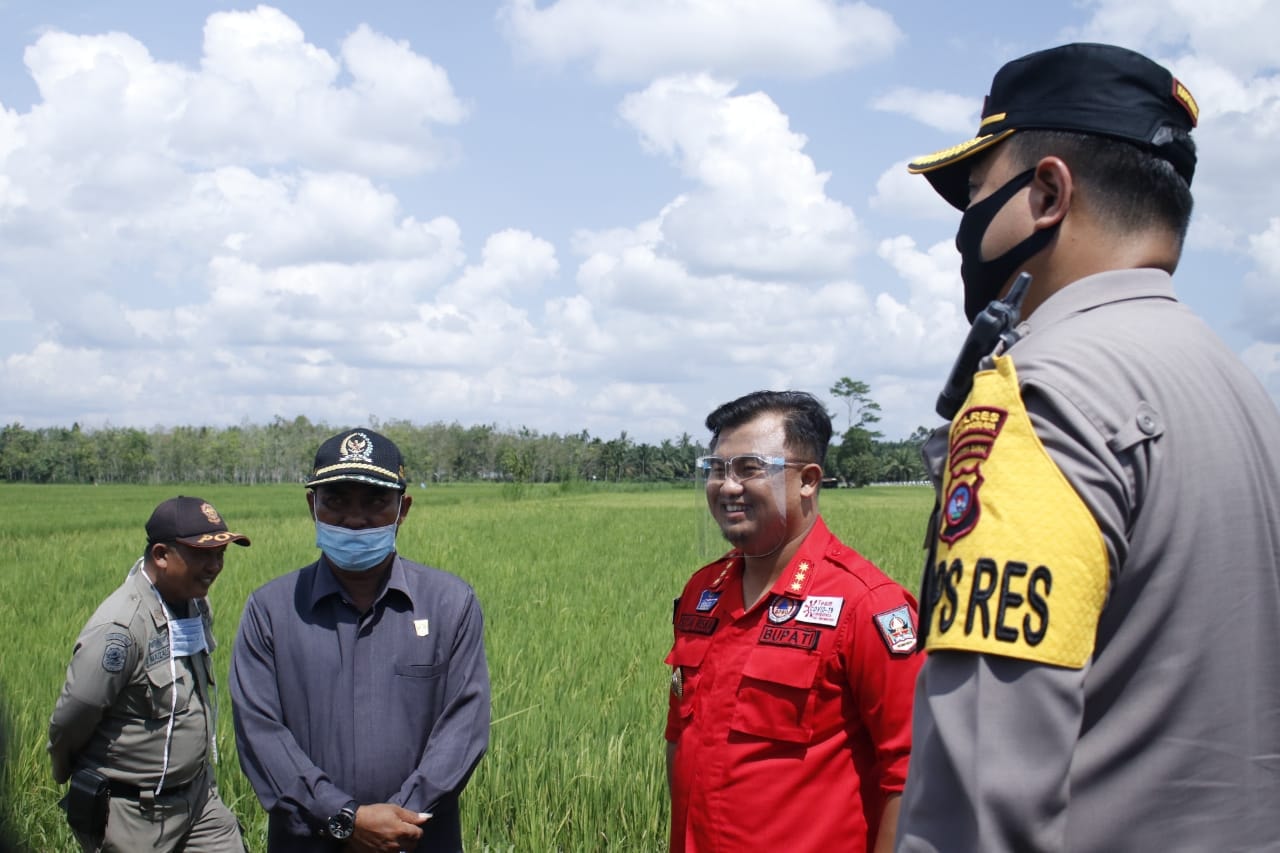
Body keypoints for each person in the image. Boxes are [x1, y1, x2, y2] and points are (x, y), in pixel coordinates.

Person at [898, 43, 1280, 851]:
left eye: (974, 194)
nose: (964, 232)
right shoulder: (1243, 393)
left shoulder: (1037, 398)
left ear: (1045, 193)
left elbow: (975, 801)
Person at [666, 391, 923, 853]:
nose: (727, 486)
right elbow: (679, 741)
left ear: (807, 480)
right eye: (717, 468)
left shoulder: (866, 605)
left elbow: (914, 772)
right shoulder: (701, 595)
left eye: (749, 468)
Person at [230, 427, 489, 853]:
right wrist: (343, 818)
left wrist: (396, 822)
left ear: (402, 508)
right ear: (311, 505)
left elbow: (464, 728)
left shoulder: (449, 604)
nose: (354, 519)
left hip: (417, 841)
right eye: (335, 501)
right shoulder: (271, 610)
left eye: (374, 502)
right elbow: (260, 732)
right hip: (308, 841)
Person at [48, 496, 250, 853]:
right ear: (160, 555)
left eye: (221, 553)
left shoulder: (196, 603)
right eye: (202, 554)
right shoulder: (121, 629)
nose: (215, 565)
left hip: (198, 800)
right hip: (136, 815)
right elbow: (73, 717)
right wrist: (72, 773)